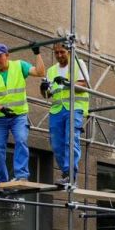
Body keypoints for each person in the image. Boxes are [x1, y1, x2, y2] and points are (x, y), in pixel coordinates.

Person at [0, 42, 47, 186]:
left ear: (7, 55)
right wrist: (1, 108)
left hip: (18, 116)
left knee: (21, 140)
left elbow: (41, 72)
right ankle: (0, 181)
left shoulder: (19, 65)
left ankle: (22, 175)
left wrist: (37, 53)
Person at [43, 41, 90, 184]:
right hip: (57, 110)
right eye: (56, 53)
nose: (59, 55)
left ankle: (70, 173)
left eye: (62, 52)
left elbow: (85, 85)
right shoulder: (51, 70)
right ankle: (66, 173)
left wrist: (66, 82)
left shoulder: (78, 63)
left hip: (74, 107)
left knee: (71, 140)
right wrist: (43, 88)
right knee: (56, 143)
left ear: (69, 51)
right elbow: (46, 94)